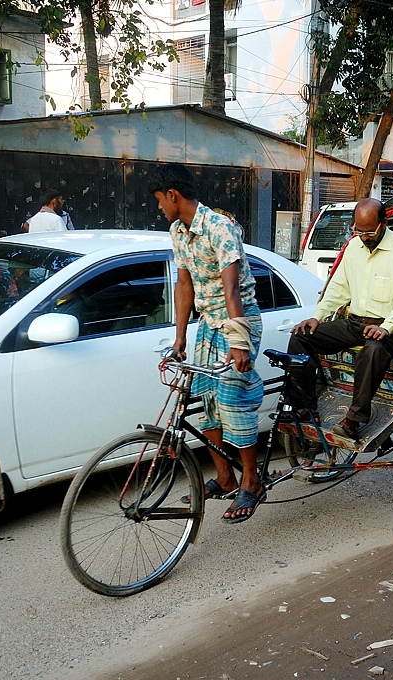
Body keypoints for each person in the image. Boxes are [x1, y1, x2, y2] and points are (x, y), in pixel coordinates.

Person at [148, 163, 266, 524]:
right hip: (207, 326)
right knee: (204, 400)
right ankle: (226, 477)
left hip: (239, 322)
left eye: (159, 201)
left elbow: (232, 289)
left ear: (173, 195)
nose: (158, 208)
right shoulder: (177, 232)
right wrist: (180, 338)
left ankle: (251, 480)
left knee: (232, 398)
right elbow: (185, 284)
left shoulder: (219, 226)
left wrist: (239, 343)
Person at [287, 198, 393, 440]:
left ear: (384, 224)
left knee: (372, 350)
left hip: (390, 329)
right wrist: (317, 317)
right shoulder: (352, 247)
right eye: (358, 230)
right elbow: (338, 289)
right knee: (301, 337)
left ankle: (354, 419)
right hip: (355, 323)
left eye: (369, 231)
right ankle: (305, 407)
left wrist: (387, 328)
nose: (363, 236)